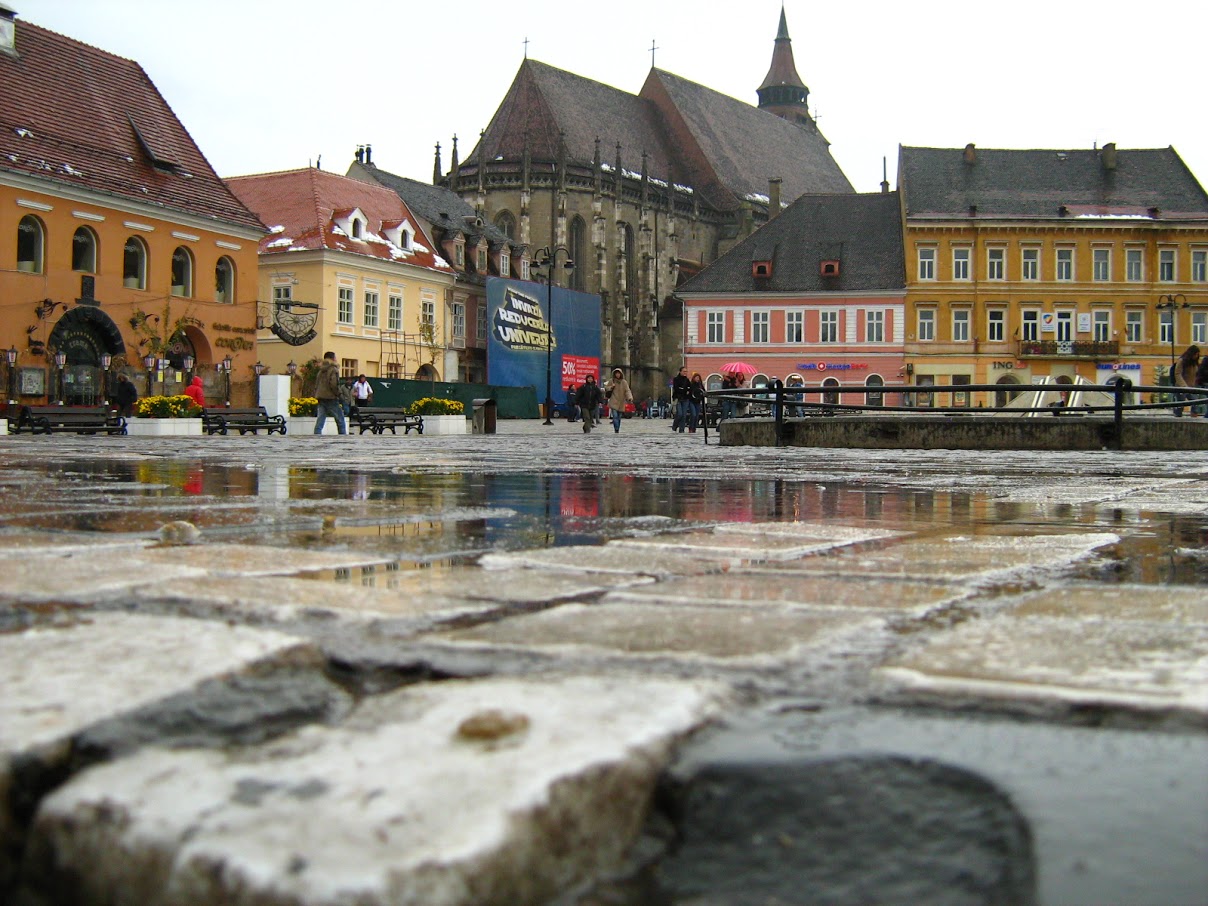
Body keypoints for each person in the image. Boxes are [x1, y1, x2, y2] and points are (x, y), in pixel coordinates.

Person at [313, 351, 347, 434]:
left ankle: (316, 436)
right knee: (340, 420)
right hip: (331, 397)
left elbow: (316, 384)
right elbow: (334, 384)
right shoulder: (333, 369)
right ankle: (343, 439)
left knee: (320, 420)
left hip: (321, 397)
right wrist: (339, 395)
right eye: (335, 357)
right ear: (333, 358)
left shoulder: (321, 370)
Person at [1172, 345, 1200, 417]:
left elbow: (1196, 375)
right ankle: (1177, 420)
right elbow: (1177, 373)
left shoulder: (1195, 363)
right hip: (1181, 387)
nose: (1196, 356)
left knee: (1196, 403)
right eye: (1195, 354)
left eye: (1197, 354)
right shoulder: (1182, 361)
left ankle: (1194, 420)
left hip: (1192, 387)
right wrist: (1183, 386)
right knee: (1180, 405)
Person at [604, 367, 634, 433]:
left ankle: (617, 428)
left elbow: (627, 390)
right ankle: (616, 429)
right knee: (615, 416)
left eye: (619, 374)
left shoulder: (624, 382)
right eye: (616, 374)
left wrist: (630, 397)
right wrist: (611, 387)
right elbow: (606, 388)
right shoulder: (611, 381)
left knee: (619, 417)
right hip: (614, 400)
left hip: (621, 401)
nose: (617, 375)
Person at [671, 366, 691, 432]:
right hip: (678, 398)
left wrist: (684, 390)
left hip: (685, 399)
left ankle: (681, 430)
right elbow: (676, 388)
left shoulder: (687, 380)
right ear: (680, 372)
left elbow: (689, 388)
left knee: (684, 415)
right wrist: (684, 390)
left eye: (686, 371)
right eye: (684, 371)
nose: (685, 373)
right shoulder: (676, 379)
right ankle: (675, 425)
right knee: (679, 414)